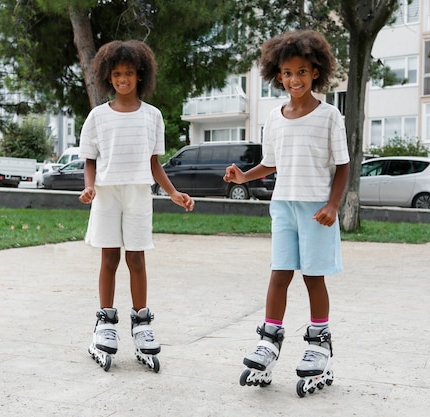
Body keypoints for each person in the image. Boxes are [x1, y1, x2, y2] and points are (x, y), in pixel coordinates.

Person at [224, 30, 350, 394]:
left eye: (302, 71)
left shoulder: (329, 116)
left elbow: (342, 165)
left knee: (313, 277)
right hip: (283, 206)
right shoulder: (275, 118)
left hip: (316, 210)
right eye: (287, 73)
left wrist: (332, 205)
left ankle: (318, 342)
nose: (294, 79)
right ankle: (269, 339)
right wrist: (244, 175)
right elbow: (270, 164)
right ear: (277, 75)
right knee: (279, 274)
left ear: (315, 72)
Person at [79, 40, 195, 371]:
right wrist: (88, 187)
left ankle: (142, 323)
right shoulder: (98, 116)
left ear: (139, 75)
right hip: (106, 192)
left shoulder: (152, 115)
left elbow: (154, 163)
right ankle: (105, 321)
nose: (123, 79)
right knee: (109, 257)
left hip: (139, 193)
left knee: (137, 258)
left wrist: (173, 193)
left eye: (128, 73)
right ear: (107, 77)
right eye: (116, 74)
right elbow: (89, 160)